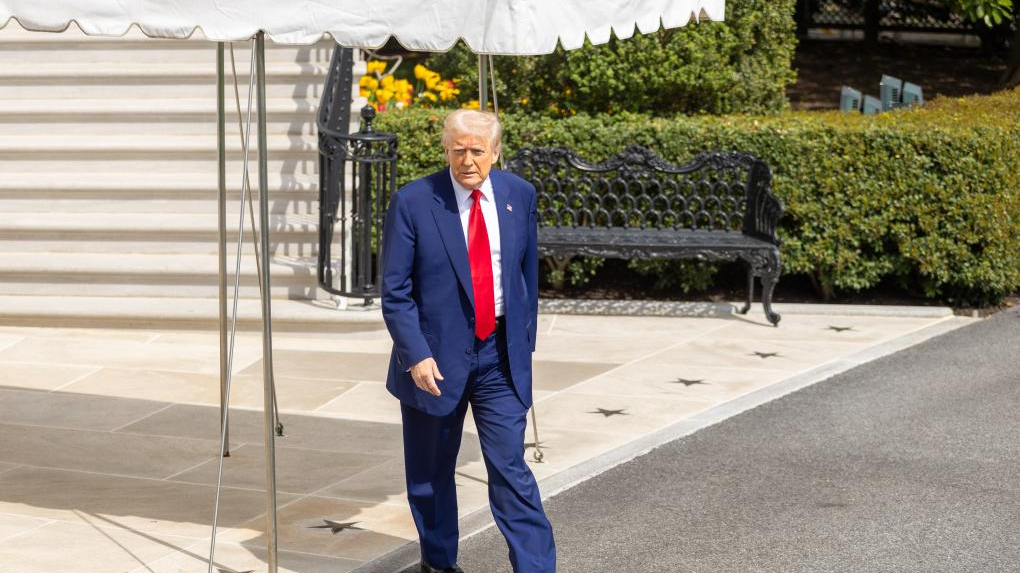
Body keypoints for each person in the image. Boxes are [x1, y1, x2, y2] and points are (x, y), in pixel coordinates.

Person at [380, 109, 556, 573]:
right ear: (446, 150)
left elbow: (525, 278)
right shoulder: (414, 201)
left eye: (477, 150)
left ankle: (535, 567)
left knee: (509, 469)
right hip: (433, 362)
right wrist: (414, 354)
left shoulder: (519, 195)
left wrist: (524, 343)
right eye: (458, 150)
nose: (468, 160)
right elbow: (395, 292)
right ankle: (439, 563)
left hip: (499, 357)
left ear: (495, 152)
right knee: (431, 474)